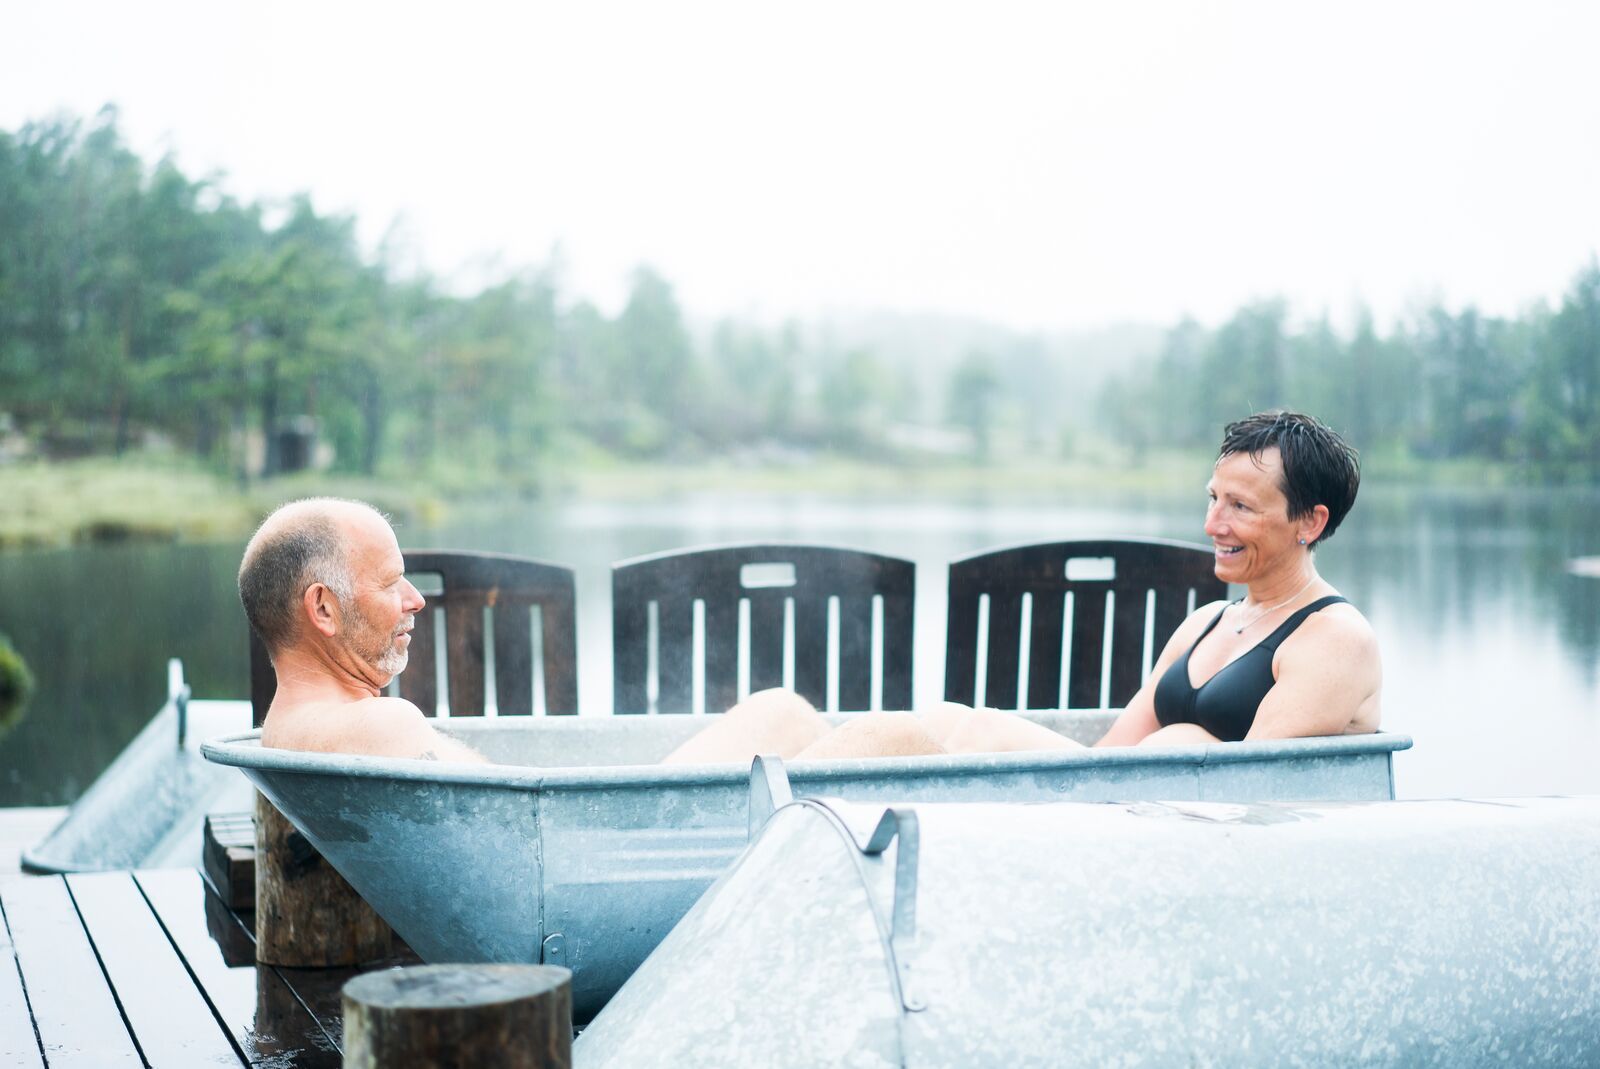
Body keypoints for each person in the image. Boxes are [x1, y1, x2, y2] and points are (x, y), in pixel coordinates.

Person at [1095, 410, 1381, 746]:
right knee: (1013, 731)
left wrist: (1179, 740)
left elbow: (1250, 779)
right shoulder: (1205, 621)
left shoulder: (1337, 639)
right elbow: (1108, 758)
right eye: (1214, 499)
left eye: (1241, 506)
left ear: (1309, 522)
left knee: (1177, 741)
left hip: (1230, 799)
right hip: (1141, 794)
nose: (1212, 526)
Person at [240, 498, 488, 763]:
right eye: (390, 583)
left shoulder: (275, 735)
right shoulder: (389, 728)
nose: (416, 600)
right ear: (324, 609)